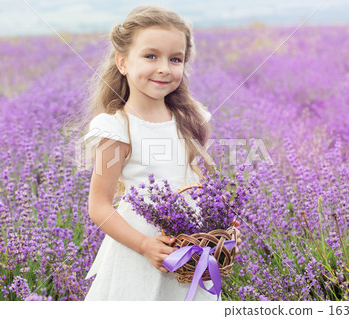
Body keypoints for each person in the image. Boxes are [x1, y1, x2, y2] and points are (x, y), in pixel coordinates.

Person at [82, 5, 241, 301]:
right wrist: (144, 245)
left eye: (175, 59)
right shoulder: (117, 128)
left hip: (193, 249)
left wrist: (223, 230)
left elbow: (201, 186)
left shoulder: (192, 119)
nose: (165, 68)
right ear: (123, 62)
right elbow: (99, 206)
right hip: (141, 249)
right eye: (150, 56)